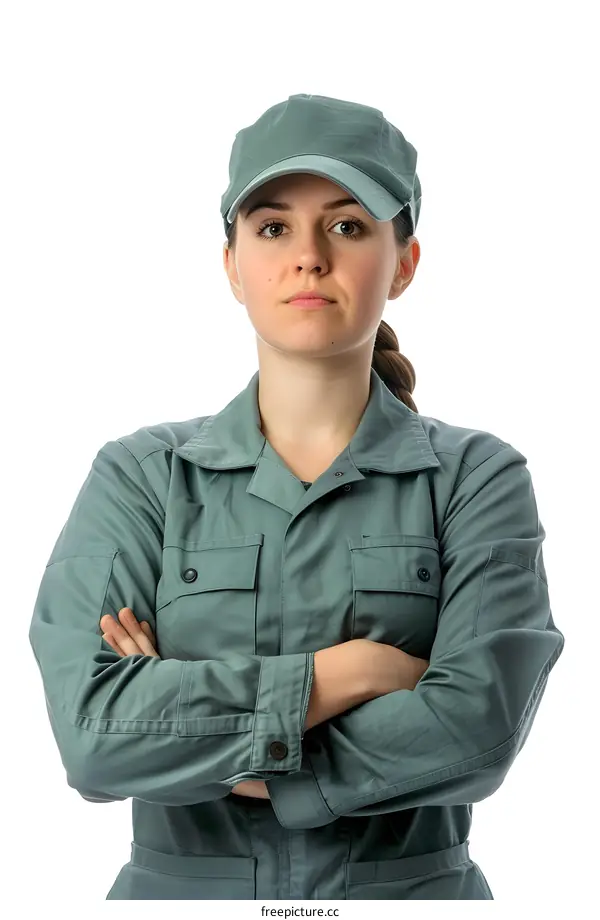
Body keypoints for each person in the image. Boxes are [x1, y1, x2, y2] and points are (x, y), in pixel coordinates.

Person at [28, 93, 565, 900]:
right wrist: (349, 673)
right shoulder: (143, 475)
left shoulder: (476, 478)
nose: (308, 256)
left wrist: (232, 760)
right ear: (231, 265)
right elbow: (95, 736)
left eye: (348, 226)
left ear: (404, 262)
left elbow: (477, 732)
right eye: (272, 227)